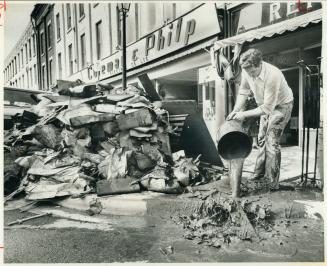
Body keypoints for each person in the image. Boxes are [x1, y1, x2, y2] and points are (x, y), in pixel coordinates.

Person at [227, 48, 294, 190]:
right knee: (261, 138)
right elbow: (243, 92)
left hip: (282, 106)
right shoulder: (247, 71)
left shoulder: (273, 75)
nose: (250, 75)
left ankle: (272, 182)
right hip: (264, 105)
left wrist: (243, 115)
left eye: (252, 72)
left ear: (259, 65)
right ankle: (258, 174)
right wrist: (235, 110)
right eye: (247, 72)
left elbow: (267, 109)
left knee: (271, 141)